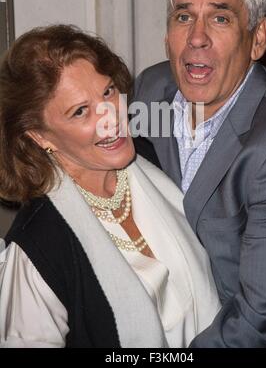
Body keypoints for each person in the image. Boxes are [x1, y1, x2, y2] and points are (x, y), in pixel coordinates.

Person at [0, 24, 220, 348]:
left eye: (107, 92)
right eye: (80, 111)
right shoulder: (37, 247)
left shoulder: (151, 156)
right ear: (39, 136)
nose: (111, 117)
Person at [133, 0, 266, 347]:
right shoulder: (150, 89)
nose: (196, 38)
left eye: (220, 17)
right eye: (184, 16)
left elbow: (264, 322)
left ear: (257, 38)